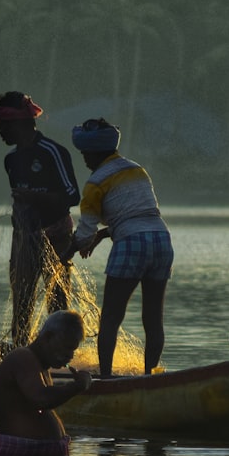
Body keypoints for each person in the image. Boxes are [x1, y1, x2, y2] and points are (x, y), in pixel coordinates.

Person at [68, 118, 173, 376]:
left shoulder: (96, 182)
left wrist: (68, 252)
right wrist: (103, 236)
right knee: (153, 319)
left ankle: (104, 378)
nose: (84, 159)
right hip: (161, 240)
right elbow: (137, 214)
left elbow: (84, 232)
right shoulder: (137, 170)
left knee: (111, 319)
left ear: (95, 153)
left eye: (85, 154)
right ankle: (151, 376)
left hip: (131, 244)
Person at [0, 91, 81, 346]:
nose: (0, 132)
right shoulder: (11, 160)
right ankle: (20, 353)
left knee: (57, 302)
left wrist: (35, 197)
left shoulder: (52, 152)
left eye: (3, 126)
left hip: (56, 237)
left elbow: (73, 196)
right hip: (23, 239)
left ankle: (61, 356)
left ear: (20, 123)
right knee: (21, 300)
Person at [0, 310, 93, 456]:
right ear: (47, 337)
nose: (70, 356)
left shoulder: (41, 367)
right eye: (66, 348)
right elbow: (41, 398)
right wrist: (77, 386)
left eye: (73, 350)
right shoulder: (22, 357)